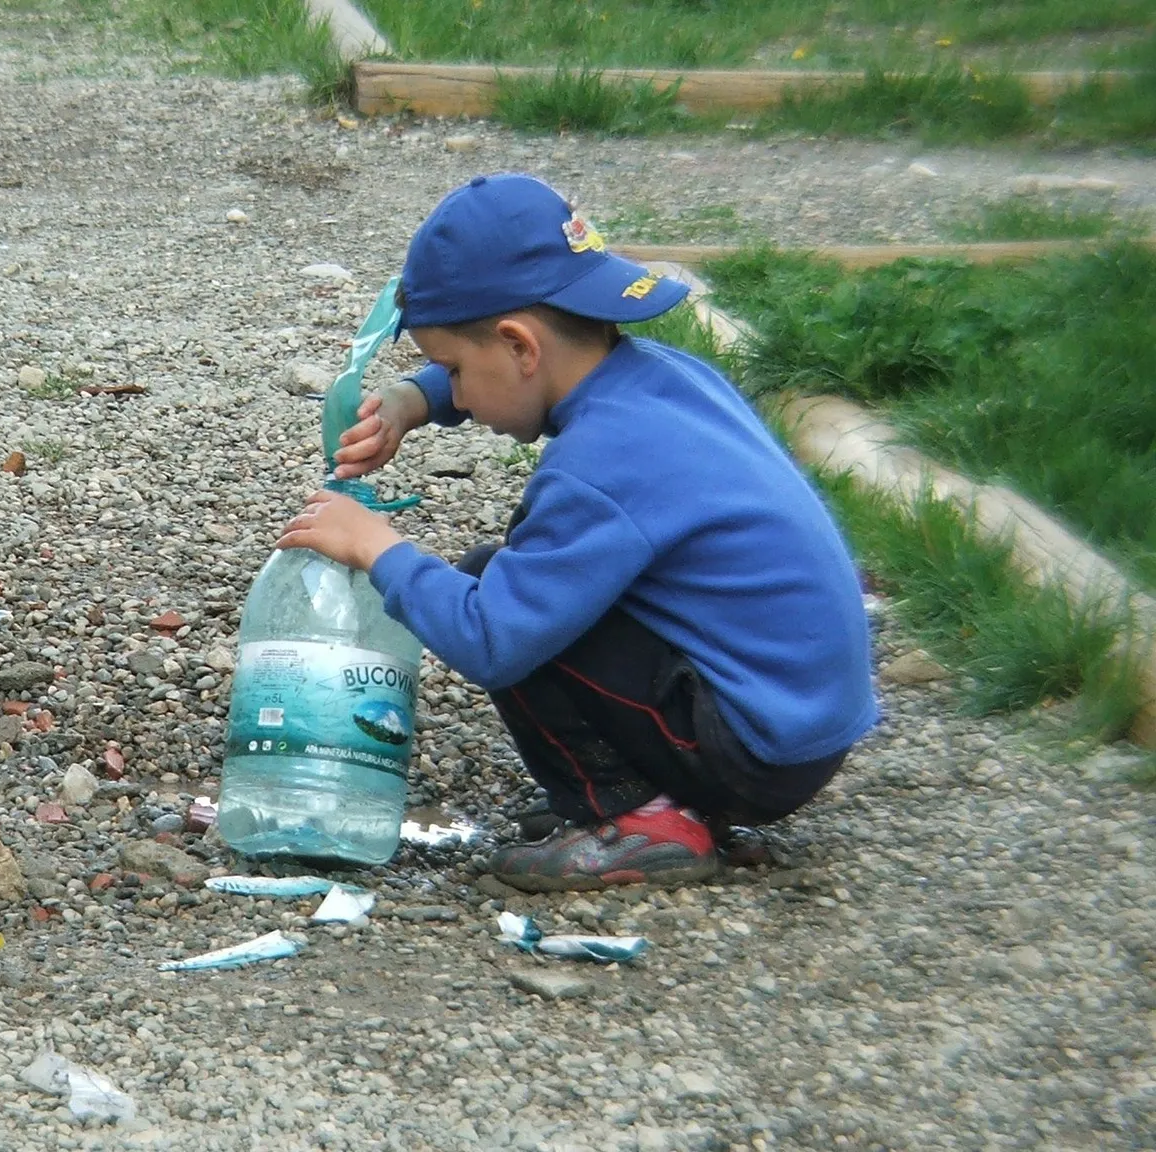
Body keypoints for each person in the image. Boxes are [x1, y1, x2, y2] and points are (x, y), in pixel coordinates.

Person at [276, 173, 878, 892]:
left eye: (452, 370)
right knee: (524, 581)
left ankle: (643, 819)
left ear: (520, 346)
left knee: (489, 588)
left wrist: (377, 547)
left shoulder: (597, 466)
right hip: (796, 721)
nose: (457, 392)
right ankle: (669, 799)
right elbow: (501, 362)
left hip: (753, 750)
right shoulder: (661, 380)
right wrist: (414, 399)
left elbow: (494, 639)